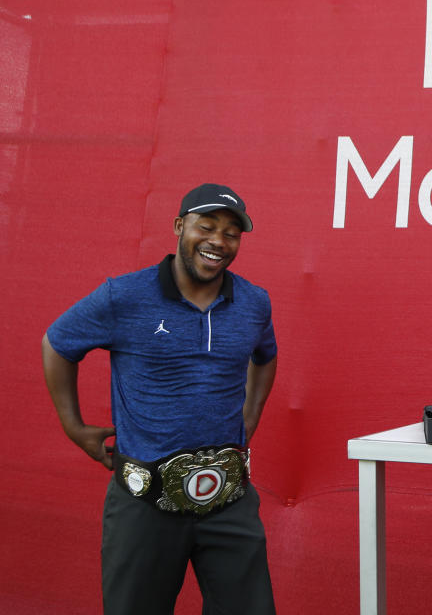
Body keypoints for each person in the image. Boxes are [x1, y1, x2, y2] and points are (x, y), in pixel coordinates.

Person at [41, 183, 279, 614]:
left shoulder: (254, 302)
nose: (218, 242)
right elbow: (58, 343)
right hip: (144, 503)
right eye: (205, 227)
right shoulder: (124, 296)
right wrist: (73, 427)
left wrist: (250, 416)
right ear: (178, 227)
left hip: (230, 502)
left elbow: (266, 356)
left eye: (231, 234)